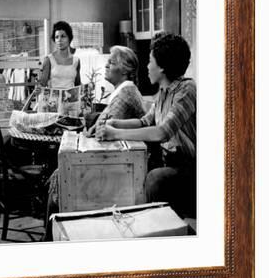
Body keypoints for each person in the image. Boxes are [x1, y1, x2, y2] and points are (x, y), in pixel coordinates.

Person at [96, 33, 196, 217]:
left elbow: (162, 132)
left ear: (163, 67)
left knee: (155, 179)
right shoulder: (163, 92)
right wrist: (114, 123)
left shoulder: (187, 90)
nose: (147, 67)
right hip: (170, 161)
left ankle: (159, 231)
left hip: (191, 169)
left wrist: (115, 134)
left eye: (150, 61)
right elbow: (145, 121)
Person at [86, 45, 145, 136]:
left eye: (112, 63)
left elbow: (103, 131)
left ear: (124, 71)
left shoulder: (126, 94)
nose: (106, 65)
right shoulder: (125, 90)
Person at [37, 21, 81, 89]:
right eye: (57, 37)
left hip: (71, 99)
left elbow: (78, 85)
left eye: (63, 36)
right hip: (53, 99)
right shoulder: (49, 60)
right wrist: (38, 88)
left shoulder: (76, 61)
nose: (59, 40)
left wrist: (88, 87)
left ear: (69, 38)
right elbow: (42, 84)